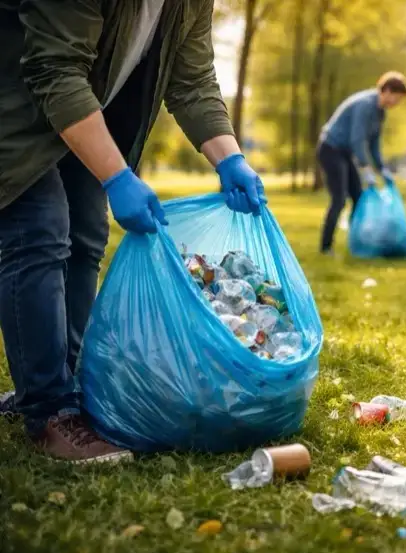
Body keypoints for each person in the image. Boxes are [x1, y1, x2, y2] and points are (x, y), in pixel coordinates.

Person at [0, 0, 265, 462]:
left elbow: (192, 78)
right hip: (16, 102)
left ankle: (70, 386)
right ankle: (49, 410)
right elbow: (55, 67)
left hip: (84, 110)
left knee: (85, 234)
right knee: (39, 231)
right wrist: (116, 176)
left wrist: (230, 157)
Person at [317, 72, 406, 255]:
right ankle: (326, 247)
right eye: (397, 98)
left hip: (344, 152)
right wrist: (366, 168)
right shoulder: (365, 105)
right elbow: (357, 139)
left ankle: (357, 240)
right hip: (330, 149)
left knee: (358, 196)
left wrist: (382, 169)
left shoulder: (380, 112)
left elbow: (373, 144)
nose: (397, 103)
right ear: (387, 91)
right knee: (339, 199)